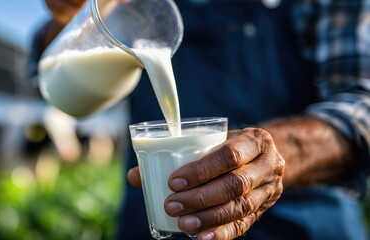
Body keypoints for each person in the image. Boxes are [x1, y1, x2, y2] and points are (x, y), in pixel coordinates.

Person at [28, 0, 370, 239]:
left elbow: (362, 108)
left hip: (305, 226)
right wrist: (73, 22)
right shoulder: (135, 6)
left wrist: (269, 158)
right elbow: (52, 72)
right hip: (155, 227)